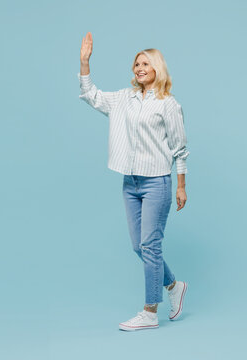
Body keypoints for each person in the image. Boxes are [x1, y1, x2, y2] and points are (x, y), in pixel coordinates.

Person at [78, 32, 189, 331]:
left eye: (145, 64)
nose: (139, 68)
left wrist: (180, 185)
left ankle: (150, 312)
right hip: (131, 183)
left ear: (157, 69)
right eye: (136, 64)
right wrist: (85, 63)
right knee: (139, 246)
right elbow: (93, 96)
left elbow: (180, 147)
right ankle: (174, 286)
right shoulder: (124, 99)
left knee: (150, 246)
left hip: (157, 182)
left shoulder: (168, 104)